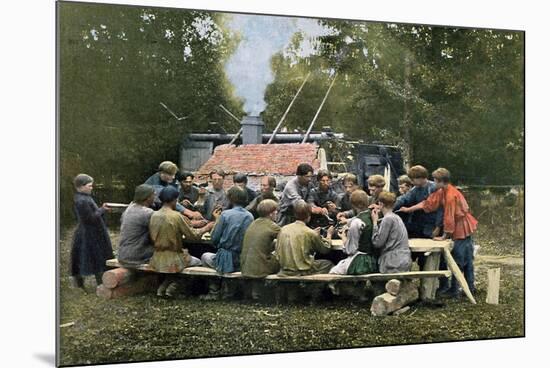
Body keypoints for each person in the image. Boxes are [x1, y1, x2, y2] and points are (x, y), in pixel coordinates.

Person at [398, 168, 478, 296]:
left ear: (441, 181)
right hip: (455, 226)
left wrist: (444, 235)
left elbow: (449, 217)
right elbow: (428, 203)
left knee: (460, 258)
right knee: (463, 257)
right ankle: (468, 287)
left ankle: (456, 289)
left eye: (435, 180)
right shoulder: (442, 191)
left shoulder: (451, 195)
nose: (433, 183)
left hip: (461, 227)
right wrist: (409, 209)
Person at [149, 186, 212, 297]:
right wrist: (208, 227)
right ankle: (177, 287)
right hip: (174, 257)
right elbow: (194, 236)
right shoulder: (176, 216)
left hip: (156, 257)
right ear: (174, 200)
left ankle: (163, 288)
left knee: (178, 262)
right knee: (199, 262)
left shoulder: (154, 215)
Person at [201, 186, 254, 300]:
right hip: (241, 259)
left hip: (226, 257)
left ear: (230, 198)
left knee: (205, 256)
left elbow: (214, 239)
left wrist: (216, 220)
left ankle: (214, 292)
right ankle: (229, 291)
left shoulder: (225, 215)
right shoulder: (250, 216)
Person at [69, 174, 114, 291]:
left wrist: (101, 208)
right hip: (89, 233)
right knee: (95, 256)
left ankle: (93, 282)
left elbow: (93, 213)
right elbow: (89, 218)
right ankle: (97, 282)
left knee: (95, 255)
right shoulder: (81, 200)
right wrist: (102, 210)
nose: (91, 188)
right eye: (89, 186)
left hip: (93, 231)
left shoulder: (85, 197)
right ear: (81, 186)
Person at [276, 200, 335, 276]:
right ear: (308, 216)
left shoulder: (283, 229)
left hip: (284, 269)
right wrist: (329, 235)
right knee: (329, 264)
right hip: (302, 270)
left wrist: (314, 234)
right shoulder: (309, 232)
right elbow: (325, 249)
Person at [330, 190, 378, 275]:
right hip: (372, 260)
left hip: (359, 262)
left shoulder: (356, 223)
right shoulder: (372, 215)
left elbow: (350, 250)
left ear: (353, 205)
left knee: (333, 271)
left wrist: (344, 237)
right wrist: (347, 221)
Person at [393, 165, 443, 239]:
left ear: (420, 178)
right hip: (419, 224)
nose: (412, 182)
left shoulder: (434, 188)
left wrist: (438, 227)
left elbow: (441, 209)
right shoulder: (415, 189)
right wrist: (390, 205)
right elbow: (404, 199)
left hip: (432, 224)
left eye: (413, 180)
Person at [371, 191, 412, 273]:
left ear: (381, 204)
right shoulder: (396, 217)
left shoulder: (388, 219)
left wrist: (374, 223)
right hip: (404, 259)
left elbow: (378, 243)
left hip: (393, 263)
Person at [117, 184, 156, 266]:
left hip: (123, 253)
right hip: (136, 255)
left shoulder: (129, 208)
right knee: (167, 252)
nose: (155, 197)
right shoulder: (147, 212)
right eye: (154, 195)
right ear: (148, 197)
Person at [240, 199, 281, 278]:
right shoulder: (272, 226)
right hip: (260, 269)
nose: (277, 213)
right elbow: (286, 237)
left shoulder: (253, 223)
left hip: (245, 268)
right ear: (271, 214)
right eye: (276, 211)